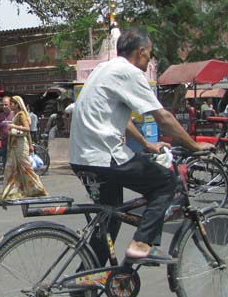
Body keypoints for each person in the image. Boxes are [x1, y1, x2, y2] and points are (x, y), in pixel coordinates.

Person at [69, 28, 214, 265]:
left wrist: (146, 143)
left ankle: (86, 282)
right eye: (150, 54)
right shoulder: (129, 73)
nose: (149, 59)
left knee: (110, 217)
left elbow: (120, 118)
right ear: (141, 51)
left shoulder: (104, 69)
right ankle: (142, 244)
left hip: (82, 158)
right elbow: (163, 117)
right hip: (104, 156)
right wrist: (194, 145)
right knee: (166, 183)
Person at [0, 96, 48, 203]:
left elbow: (27, 129)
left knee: (26, 168)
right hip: (14, 146)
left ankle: (38, 189)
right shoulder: (15, 115)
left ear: (17, 105)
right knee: (11, 169)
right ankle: (11, 193)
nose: (9, 106)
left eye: (11, 104)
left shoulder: (21, 114)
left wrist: (14, 127)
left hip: (21, 145)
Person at [0, 95, 12, 169]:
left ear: (10, 104)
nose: (4, 106)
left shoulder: (15, 114)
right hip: (4, 143)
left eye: (6, 104)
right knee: (6, 165)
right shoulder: (0, 116)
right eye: (2, 105)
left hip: (14, 144)